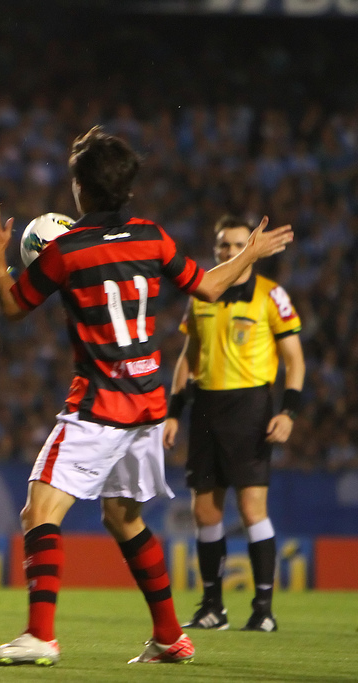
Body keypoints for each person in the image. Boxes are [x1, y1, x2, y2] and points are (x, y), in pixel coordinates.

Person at [0, 126, 294, 666]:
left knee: (39, 511)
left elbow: (12, 306)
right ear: (127, 188)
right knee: (123, 518)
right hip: (146, 404)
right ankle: (170, 637)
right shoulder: (151, 235)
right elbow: (210, 286)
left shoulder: (66, 250)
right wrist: (250, 253)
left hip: (99, 403)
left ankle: (40, 636)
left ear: (81, 189)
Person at [164, 215, 305, 633]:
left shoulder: (271, 295)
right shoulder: (201, 294)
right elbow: (187, 358)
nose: (229, 252)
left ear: (254, 247)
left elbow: (295, 360)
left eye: (238, 244)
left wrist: (288, 411)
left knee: (250, 507)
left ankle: (263, 609)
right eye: (223, 245)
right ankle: (213, 607)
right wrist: (173, 412)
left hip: (251, 408)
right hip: (205, 407)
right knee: (205, 510)